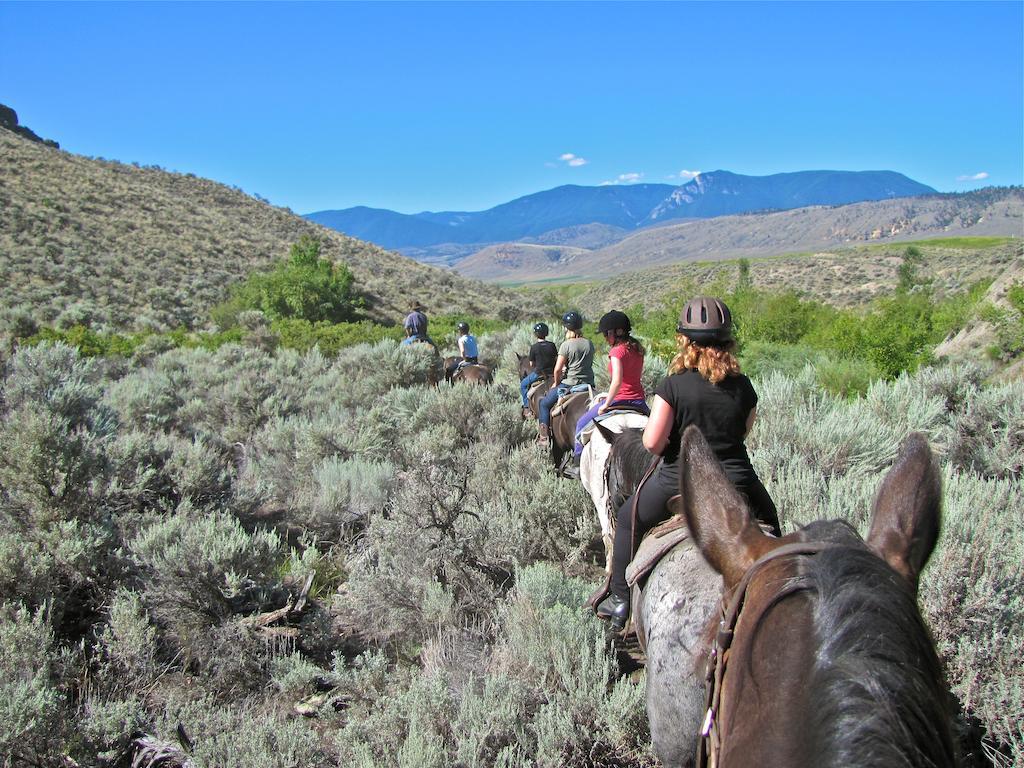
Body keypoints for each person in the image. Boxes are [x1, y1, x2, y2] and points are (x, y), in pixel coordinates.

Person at [596, 297, 781, 630]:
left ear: (684, 340)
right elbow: (743, 432)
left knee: (626, 520)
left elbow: (652, 442)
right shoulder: (744, 386)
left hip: (678, 480)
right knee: (772, 522)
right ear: (728, 340)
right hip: (737, 481)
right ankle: (780, 586)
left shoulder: (673, 386)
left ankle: (620, 599)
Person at [573, 310, 650, 457]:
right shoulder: (637, 349)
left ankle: (577, 459)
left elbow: (617, 381)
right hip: (639, 401)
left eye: (607, 333)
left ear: (617, 332)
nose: (605, 338)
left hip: (619, 399)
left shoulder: (616, 352)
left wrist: (606, 404)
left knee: (581, 424)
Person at [537, 311, 595, 447]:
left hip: (570, 384)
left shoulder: (566, 345)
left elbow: (557, 369)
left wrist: (556, 383)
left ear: (566, 328)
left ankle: (544, 437)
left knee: (544, 404)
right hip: (589, 385)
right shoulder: (589, 343)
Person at [520, 322, 558, 415]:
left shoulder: (534, 347)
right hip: (552, 373)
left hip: (539, 374)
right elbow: (556, 358)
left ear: (536, 334)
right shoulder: (552, 345)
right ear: (546, 333)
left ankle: (527, 407)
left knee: (523, 384)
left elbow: (532, 364)